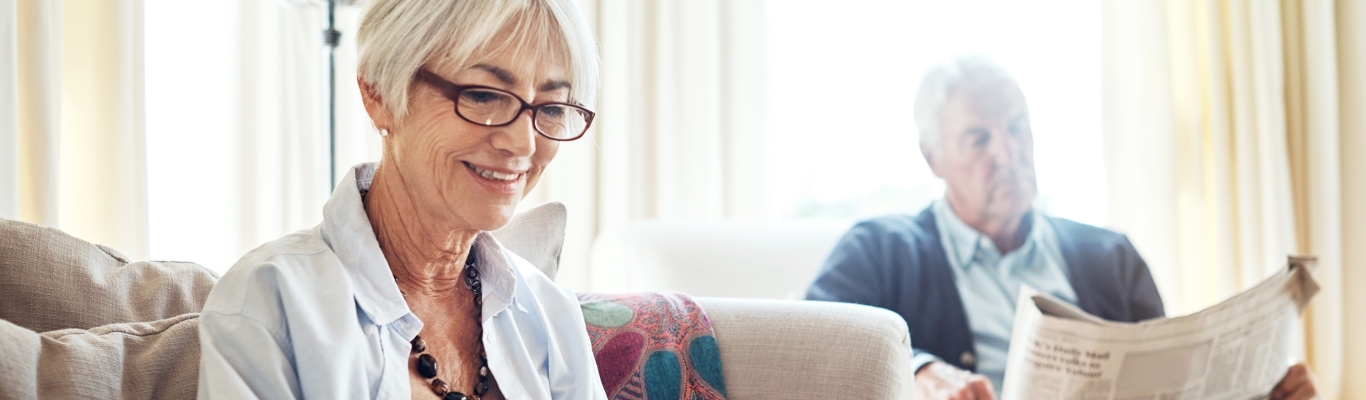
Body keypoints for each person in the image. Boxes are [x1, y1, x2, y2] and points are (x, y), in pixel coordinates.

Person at [804, 54, 1319, 400]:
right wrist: (920, 371)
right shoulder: (880, 250)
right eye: (979, 139)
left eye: (1016, 128)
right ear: (932, 157)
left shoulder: (1112, 257)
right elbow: (811, 346)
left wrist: (1260, 391)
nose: (1007, 153)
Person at [197, 1, 606, 398]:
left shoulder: (552, 316)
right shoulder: (271, 302)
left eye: (551, 106)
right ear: (378, 92)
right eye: (482, 96)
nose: (523, 143)